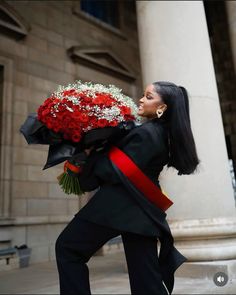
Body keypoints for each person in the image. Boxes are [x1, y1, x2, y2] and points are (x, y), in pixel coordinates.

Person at [55, 81, 200, 295]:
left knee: (68, 248)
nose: (141, 99)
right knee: (145, 280)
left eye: (149, 97)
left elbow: (114, 171)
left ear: (163, 108)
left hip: (118, 205)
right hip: (141, 211)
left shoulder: (148, 134)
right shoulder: (160, 133)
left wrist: (87, 155)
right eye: (143, 95)